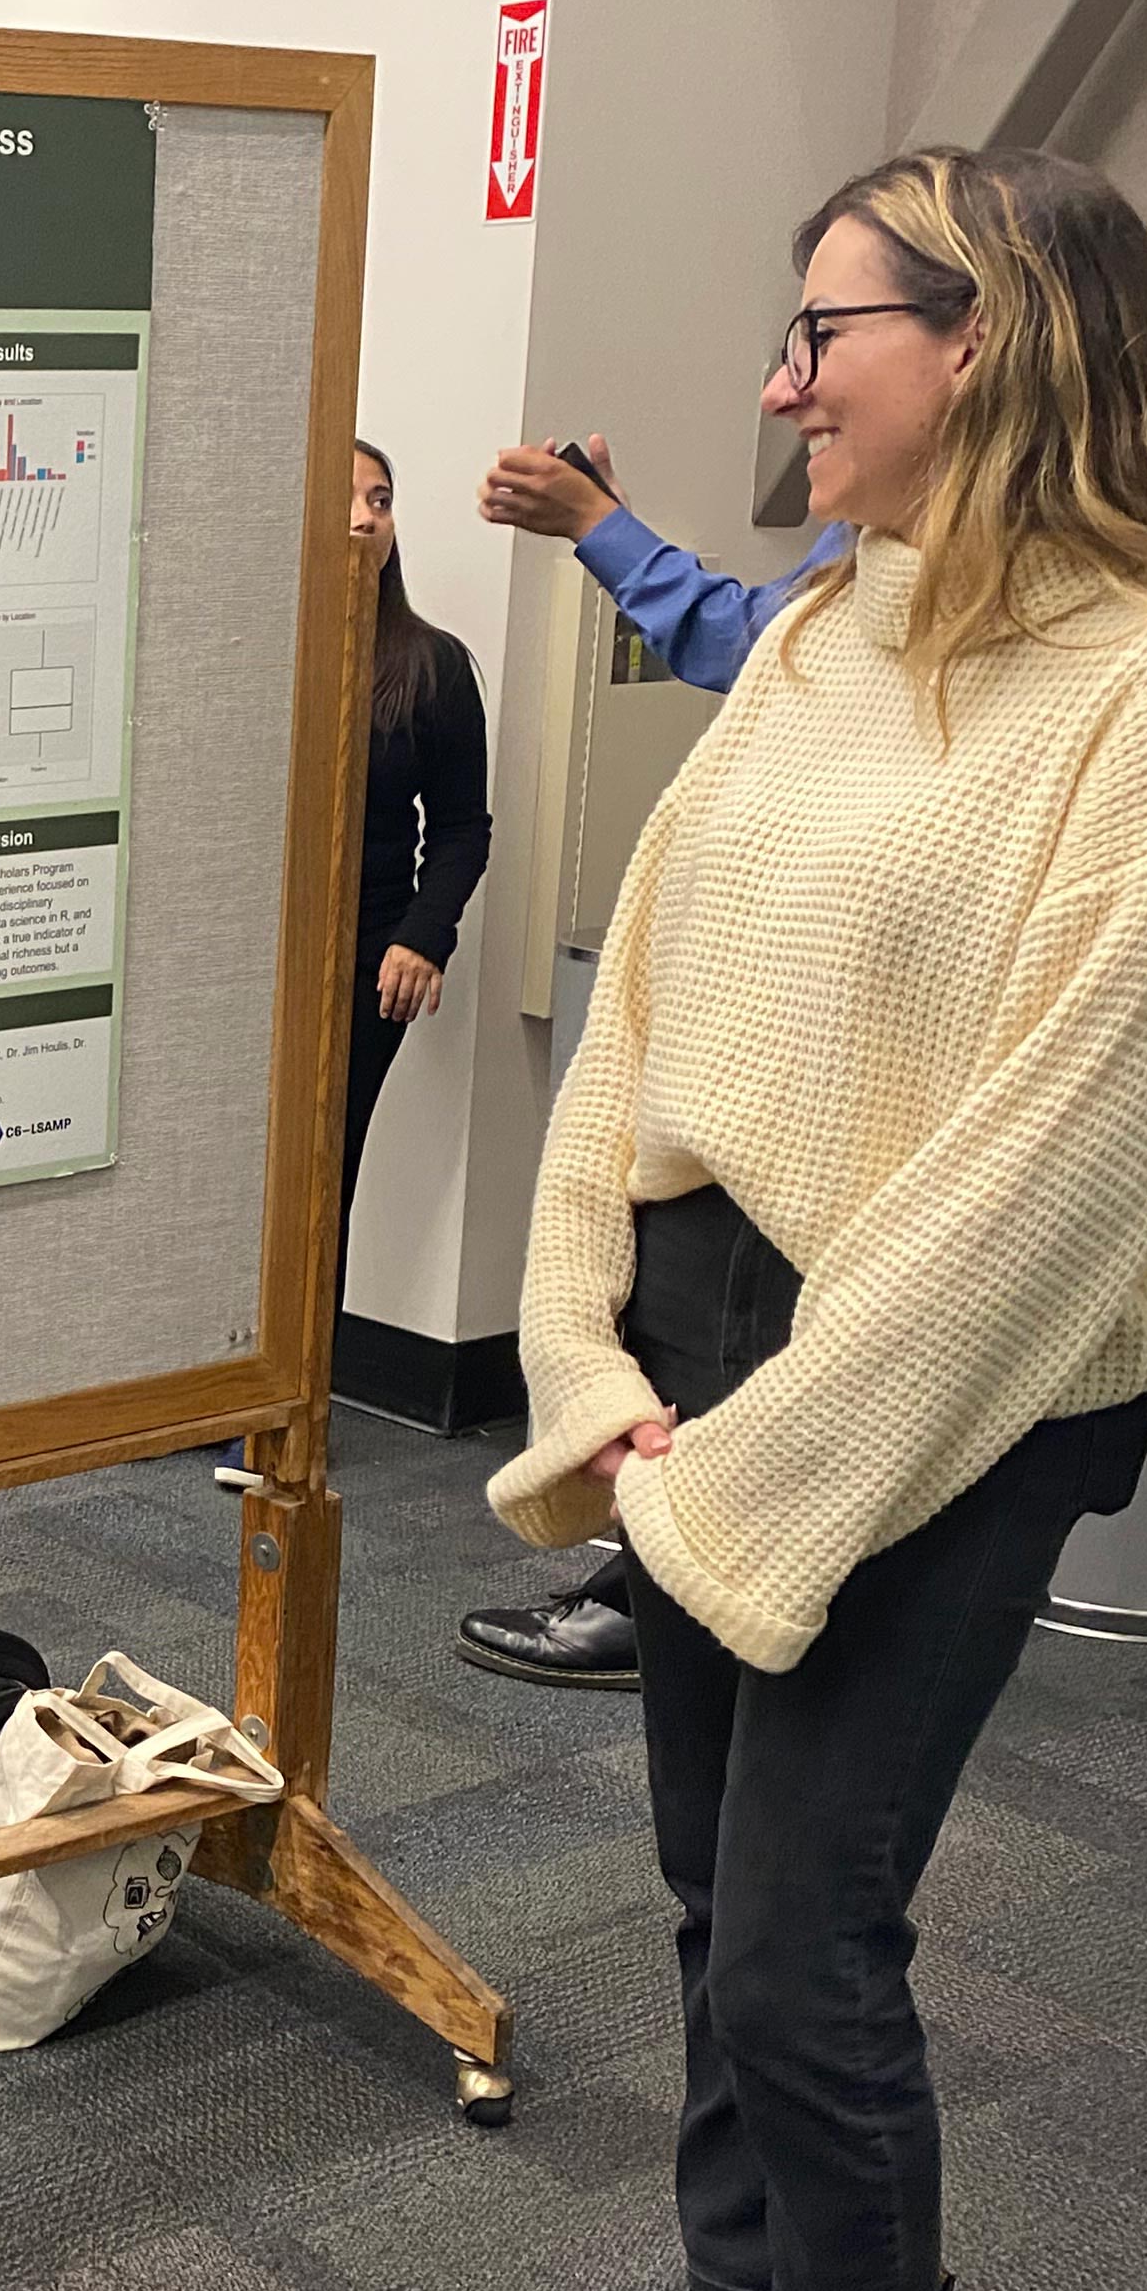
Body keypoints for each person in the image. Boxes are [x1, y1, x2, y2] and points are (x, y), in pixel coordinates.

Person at [479, 147, 1147, 2291]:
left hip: (961, 1378)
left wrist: (747, 1462)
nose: (777, 380)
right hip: (704, 1343)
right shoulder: (828, 626)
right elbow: (644, 995)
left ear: (999, 340)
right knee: (707, 1903)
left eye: (821, 328)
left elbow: (1063, 1161)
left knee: (801, 1941)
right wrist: (585, 1352)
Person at [458, 447, 851, 1692]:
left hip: (805, 1151)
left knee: (789, 1802)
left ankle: (669, 1586)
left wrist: (604, 526)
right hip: (726, 1126)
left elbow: (744, 641)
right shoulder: (857, 581)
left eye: (821, 339)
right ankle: (652, 1579)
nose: (786, 395)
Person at [337, 442, 491, 1231]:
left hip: (369, 962)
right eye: (349, 497)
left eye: (382, 499)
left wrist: (424, 937)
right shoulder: (249, 653)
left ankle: (313, 1358)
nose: (366, 518)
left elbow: (464, 825)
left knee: (323, 1187)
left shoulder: (432, 665)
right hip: (248, 970)